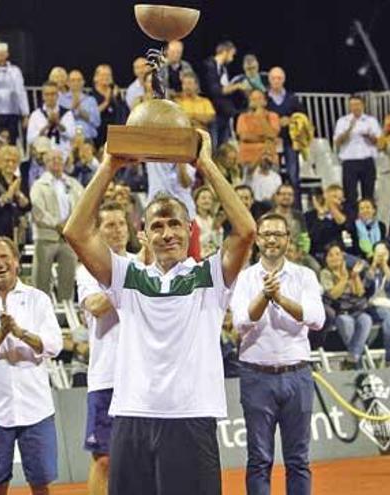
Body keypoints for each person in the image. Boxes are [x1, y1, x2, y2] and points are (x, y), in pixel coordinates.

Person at [63, 128, 256, 495]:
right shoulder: (127, 275)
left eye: (173, 224)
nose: (167, 233)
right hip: (133, 415)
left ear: (189, 229)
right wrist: (109, 165)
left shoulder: (211, 276)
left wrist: (206, 165)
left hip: (191, 416)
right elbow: (75, 232)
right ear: (144, 235)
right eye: (157, 226)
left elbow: (246, 231)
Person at [230, 212, 325, 495]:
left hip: (297, 374)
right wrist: (264, 295)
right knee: (259, 459)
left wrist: (280, 299)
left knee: (298, 459)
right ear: (257, 239)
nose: (271, 239)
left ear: (287, 239)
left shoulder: (304, 275)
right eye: (266, 233)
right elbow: (241, 323)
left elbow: (317, 318)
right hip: (256, 375)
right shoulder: (244, 278)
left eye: (278, 234)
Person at [0, 237, 63, 495]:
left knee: (41, 484)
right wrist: (1, 333)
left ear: (16, 261)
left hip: (36, 408)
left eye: (4, 257)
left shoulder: (38, 299)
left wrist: (20, 333)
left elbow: (54, 345)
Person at [75, 202, 143, 495]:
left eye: (121, 224)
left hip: (144, 376)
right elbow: (97, 306)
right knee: (103, 459)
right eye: (109, 225)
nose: (117, 231)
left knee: (142, 456)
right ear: (98, 232)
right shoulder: (88, 268)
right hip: (107, 375)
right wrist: (132, 275)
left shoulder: (144, 266)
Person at [30, 149, 84, 301]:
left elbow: (83, 206)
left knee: (67, 280)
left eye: (60, 159)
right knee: (41, 282)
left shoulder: (73, 184)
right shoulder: (39, 185)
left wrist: (71, 225)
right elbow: (38, 211)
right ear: (46, 163)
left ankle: (65, 318)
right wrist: (57, 225)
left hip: (69, 239)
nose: (56, 162)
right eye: (52, 159)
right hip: (46, 237)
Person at [321, 242, 371, 368]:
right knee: (346, 322)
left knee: (366, 320)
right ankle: (357, 365)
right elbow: (333, 295)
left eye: (338, 254)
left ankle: (352, 358)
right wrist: (344, 279)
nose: (335, 257)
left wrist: (354, 276)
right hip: (340, 312)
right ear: (326, 259)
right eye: (330, 255)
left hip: (357, 311)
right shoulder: (325, 273)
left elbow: (359, 293)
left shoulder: (351, 271)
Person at [333, 96, 381, 211]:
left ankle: (368, 222)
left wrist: (369, 136)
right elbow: (337, 142)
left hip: (367, 161)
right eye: (353, 105)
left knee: (368, 194)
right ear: (349, 107)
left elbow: (379, 142)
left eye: (358, 104)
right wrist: (349, 129)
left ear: (363, 105)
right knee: (350, 195)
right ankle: (351, 222)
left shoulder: (371, 121)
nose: (356, 107)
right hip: (349, 161)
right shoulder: (343, 121)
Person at [365, 241, 390, 365]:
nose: (381, 256)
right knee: (387, 315)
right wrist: (373, 266)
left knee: (389, 321)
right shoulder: (368, 268)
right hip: (373, 306)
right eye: (378, 253)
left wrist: (384, 267)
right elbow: (366, 285)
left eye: (384, 253)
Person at [202, 41, 244, 146]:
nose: (232, 58)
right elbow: (216, 90)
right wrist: (237, 86)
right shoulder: (209, 65)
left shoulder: (224, 69)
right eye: (232, 54)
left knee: (223, 148)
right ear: (225, 52)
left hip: (224, 113)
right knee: (214, 147)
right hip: (213, 112)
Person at [0, 144, 29, 240]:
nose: (10, 164)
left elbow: (28, 207)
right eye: (7, 161)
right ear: (0, 162)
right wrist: (9, 193)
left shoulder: (21, 182)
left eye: (14, 161)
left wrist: (19, 194)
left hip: (16, 230)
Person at [27, 82, 75, 159]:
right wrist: (47, 126)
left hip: (63, 154)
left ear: (57, 95)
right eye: (47, 94)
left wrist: (58, 123)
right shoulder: (36, 115)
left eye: (53, 94)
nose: (50, 97)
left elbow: (71, 135)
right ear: (43, 96)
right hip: (42, 156)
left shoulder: (67, 113)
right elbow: (30, 139)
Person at [237, 90, 280, 167]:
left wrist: (261, 118)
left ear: (265, 102)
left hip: (268, 158)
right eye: (253, 99)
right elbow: (244, 137)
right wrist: (265, 138)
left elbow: (273, 135)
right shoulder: (243, 117)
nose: (256, 101)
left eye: (259, 99)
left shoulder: (273, 116)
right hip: (247, 157)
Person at [305, 184, 347, 259]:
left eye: (340, 199)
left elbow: (344, 225)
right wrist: (321, 216)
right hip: (318, 253)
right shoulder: (309, 216)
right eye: (334, 197)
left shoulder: (343, 214)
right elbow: (314, 237)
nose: (336, 201)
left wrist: (332, 208)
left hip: (339, 254)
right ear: (325, 196)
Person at [92, 64, 128, 146]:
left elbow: (124, 113)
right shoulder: (91, 96)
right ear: (95, 78)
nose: (106, 77)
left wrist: (115, 99)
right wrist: (107, 102)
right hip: (98, 139)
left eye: (108, 75)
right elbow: (92, 115)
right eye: (103, 75)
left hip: (117, 137)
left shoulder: (117, 94)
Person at [60, 69, 100, 141]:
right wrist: (72, 108)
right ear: (67, 83)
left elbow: (97, 122)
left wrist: (81, 112)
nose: (76, 83)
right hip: (67, 139)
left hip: (87, 138)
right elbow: (59, 120)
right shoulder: (61, 100)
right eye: (73, 80)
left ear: (83, 82)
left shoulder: (90, 100)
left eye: (79, 80)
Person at [193, 186, 224, 258]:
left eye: (210, 198)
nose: (207, 201)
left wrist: (217, 228)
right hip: (199, 258)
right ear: (196, 201)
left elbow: (219, 243)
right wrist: (212, 231)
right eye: (203, 198)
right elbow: (195, 243)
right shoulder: (193, 221)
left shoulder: (214, 220)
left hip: (214, 257)